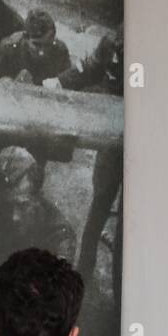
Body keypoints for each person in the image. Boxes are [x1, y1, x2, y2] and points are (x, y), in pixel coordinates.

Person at [59, 24, 124, 284]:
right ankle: (85, 268)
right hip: (112, 139)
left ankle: (121, 284)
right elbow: (89, 68)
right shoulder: (110, 44)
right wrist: (59, 82)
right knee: (100, 202)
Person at [0, 7, 71, 85]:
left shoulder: (60, 51)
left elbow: (68, 84)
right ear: (26, 39)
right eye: (37, 45)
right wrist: (4, 81)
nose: (42, 51)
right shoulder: (11, 50)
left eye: (47, 44)